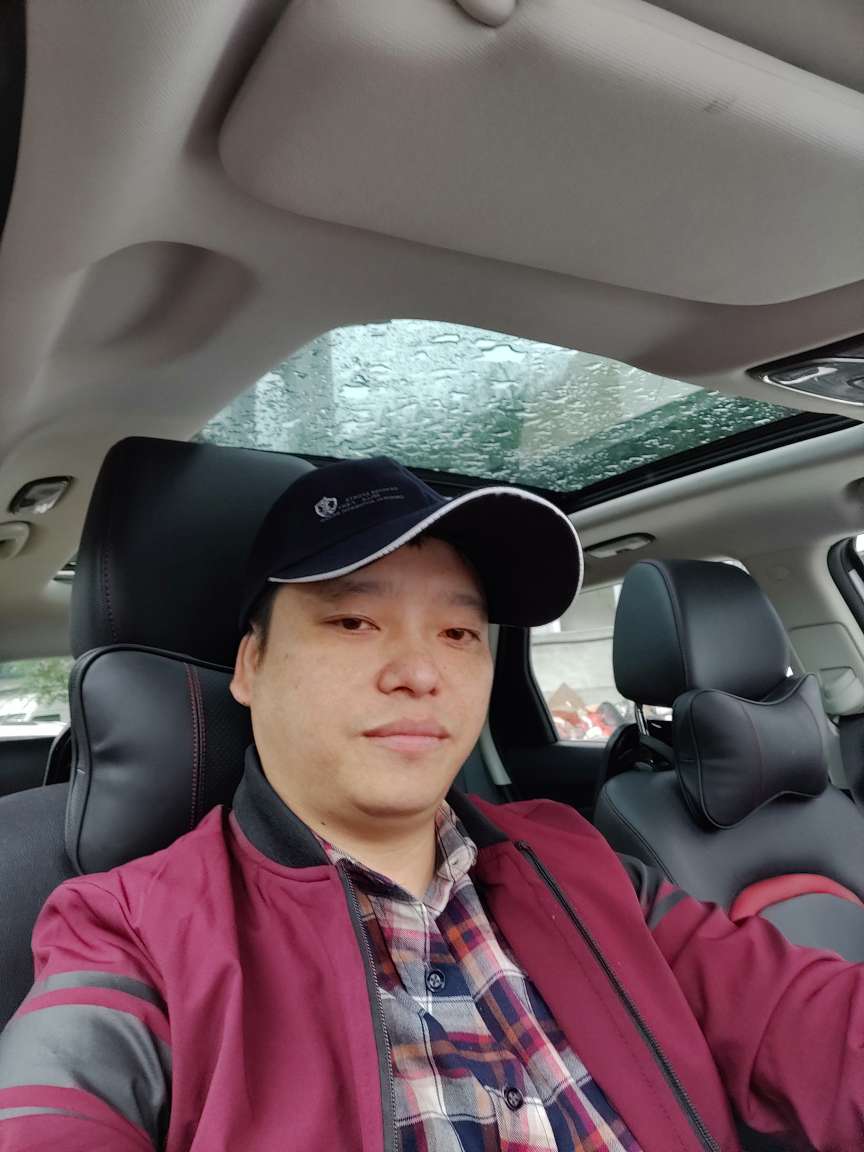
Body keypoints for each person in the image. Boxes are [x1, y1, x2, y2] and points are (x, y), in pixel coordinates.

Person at [0, 456, 861, 1152]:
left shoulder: (572, 856)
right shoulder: (128, 928)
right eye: (353, 622)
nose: (422, 672)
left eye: (457, 632)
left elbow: (810, 1025)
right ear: (251, 666)